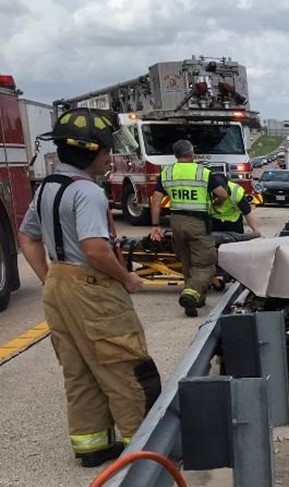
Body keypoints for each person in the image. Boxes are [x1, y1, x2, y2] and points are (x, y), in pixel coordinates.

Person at [16, 108, 161, 467]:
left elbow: (27, 236)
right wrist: (127, 278)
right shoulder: (87, 193)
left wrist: (50, 278)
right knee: (127, 366)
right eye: (107, 150)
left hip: (60, 285)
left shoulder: (48, 187)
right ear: (95, 151)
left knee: (79, 370)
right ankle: (145, 451)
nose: (109, 156)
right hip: (92, 287)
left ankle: (92, 446)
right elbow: (96, 249)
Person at [148, 139, 229, 317]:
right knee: (205, 264)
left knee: (187, 264)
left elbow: (155, 200)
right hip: (197, 223)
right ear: (192, 153)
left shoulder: (167, 173)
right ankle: (190, 294)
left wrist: (155, 226)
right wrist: (215, 204)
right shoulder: (202, 172)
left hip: (176, 222)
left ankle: (195, 300)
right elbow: (223, 194)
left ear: (176, 155)